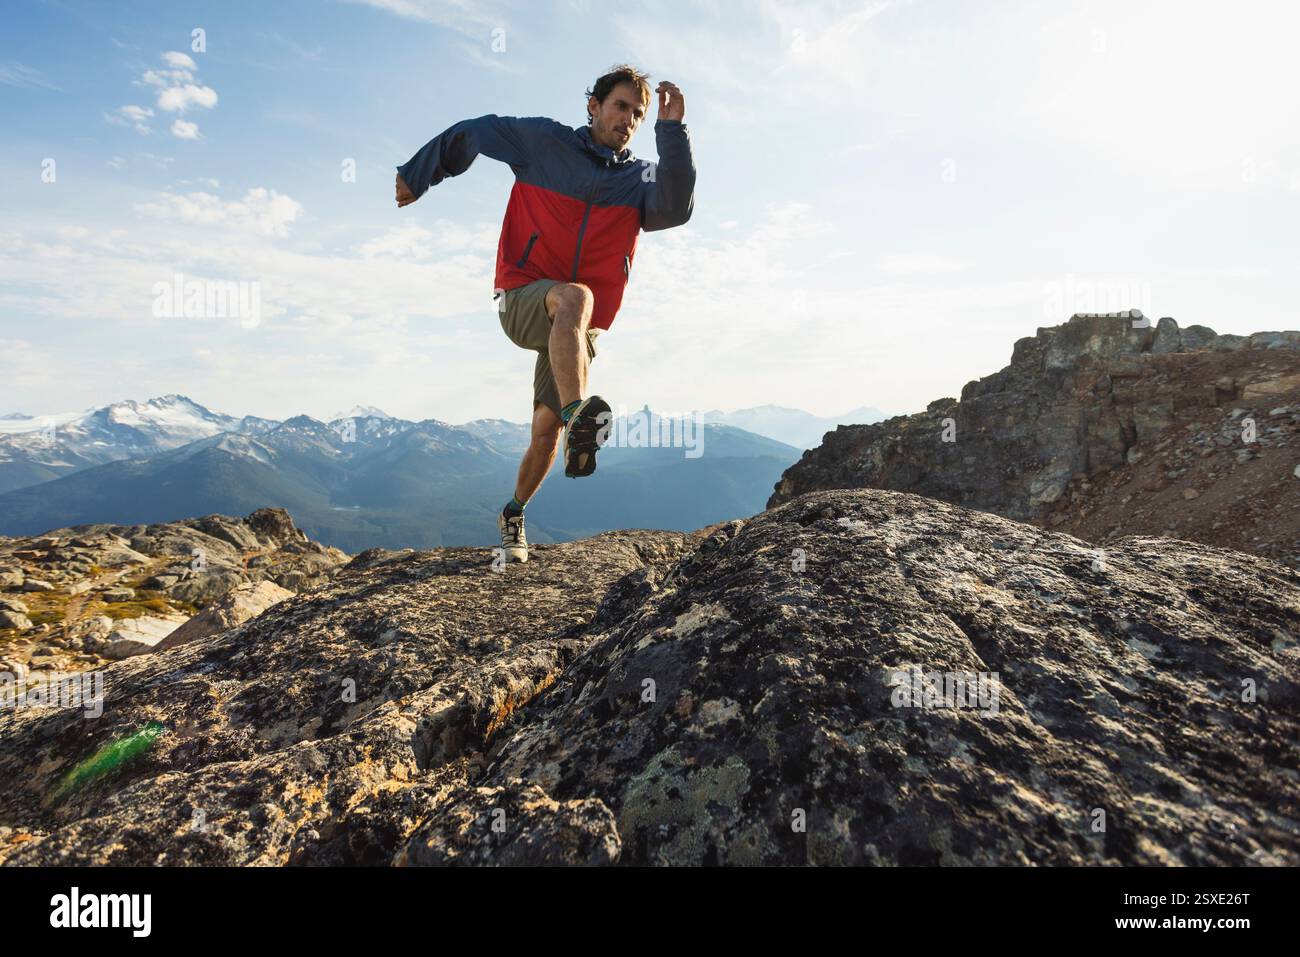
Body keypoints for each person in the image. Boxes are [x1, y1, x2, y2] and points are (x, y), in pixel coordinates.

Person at [394, 64, 696, 563]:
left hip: (578, 328)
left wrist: (672, 132)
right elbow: (476, 130)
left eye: (639, 116)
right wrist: (417, 174)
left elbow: (677, 205)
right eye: (621, 106)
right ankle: (582, 416)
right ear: (594, 106)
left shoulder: (638, 178)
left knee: (544, 431)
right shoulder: (542, 143)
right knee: (574, 297)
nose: (629, 120)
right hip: (524, 297)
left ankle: (513, 513)